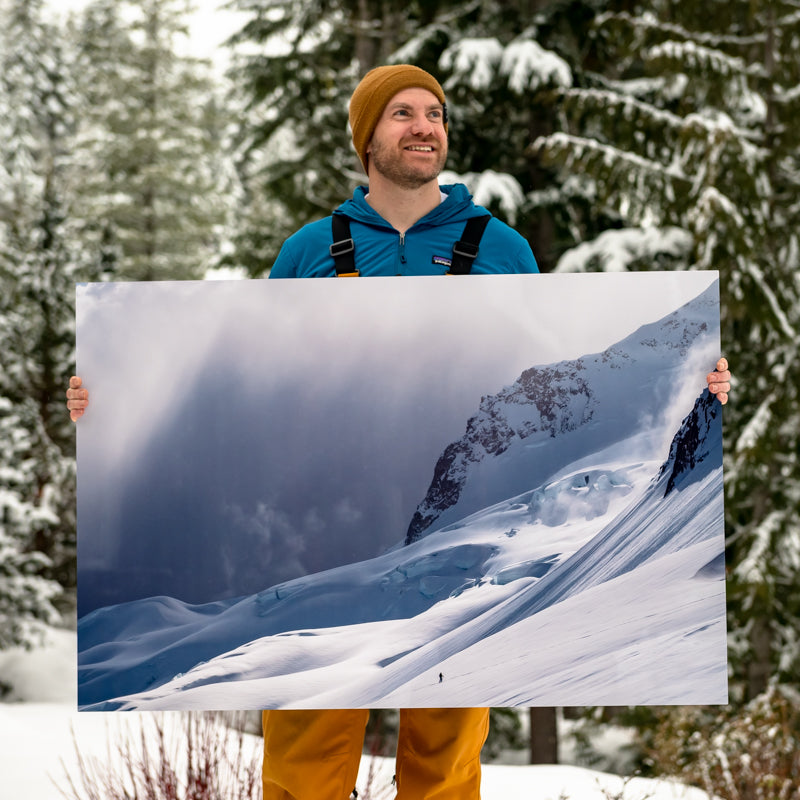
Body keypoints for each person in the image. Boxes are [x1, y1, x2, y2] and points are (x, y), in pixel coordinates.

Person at [67, 64, 732, 799]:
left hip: (468, 534)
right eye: (402, 114)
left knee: (446, 763)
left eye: (436, 113)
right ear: (366, 140)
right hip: (320, 531)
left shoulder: (501, 248)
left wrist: (701, 382)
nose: (424, 126)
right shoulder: (310, 251)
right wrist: (105, 399)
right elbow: (236, 373)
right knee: (303, 762)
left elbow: (566, 366)